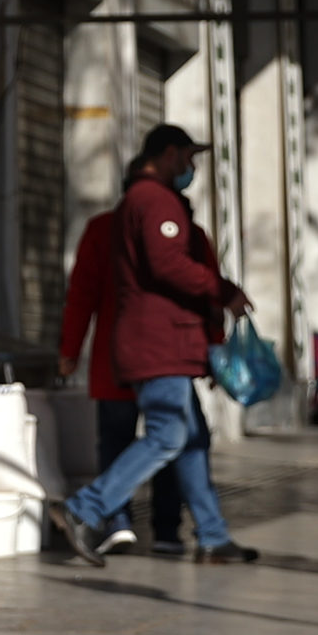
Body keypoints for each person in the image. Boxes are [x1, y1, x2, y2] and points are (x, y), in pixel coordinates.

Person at [49, 125, 256, 568]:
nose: (191, 167)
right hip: (158, 343)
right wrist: (225, 291)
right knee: (167, 434)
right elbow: (167, 266)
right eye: (187, 157)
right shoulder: (153, 201)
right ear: (167, 154)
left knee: (193, 438)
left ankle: (213, 536)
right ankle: (84, 508)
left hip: (164, 344)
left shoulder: (138, 206)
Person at [59, 182, 183, 555]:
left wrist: (70, 350)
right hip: (160, 356)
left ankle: (119, 522)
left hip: (117, 359)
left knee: (129, 440)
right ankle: (160, 528)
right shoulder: (174, 227)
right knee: (170, 438)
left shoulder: (104, 229)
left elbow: (81, 294)